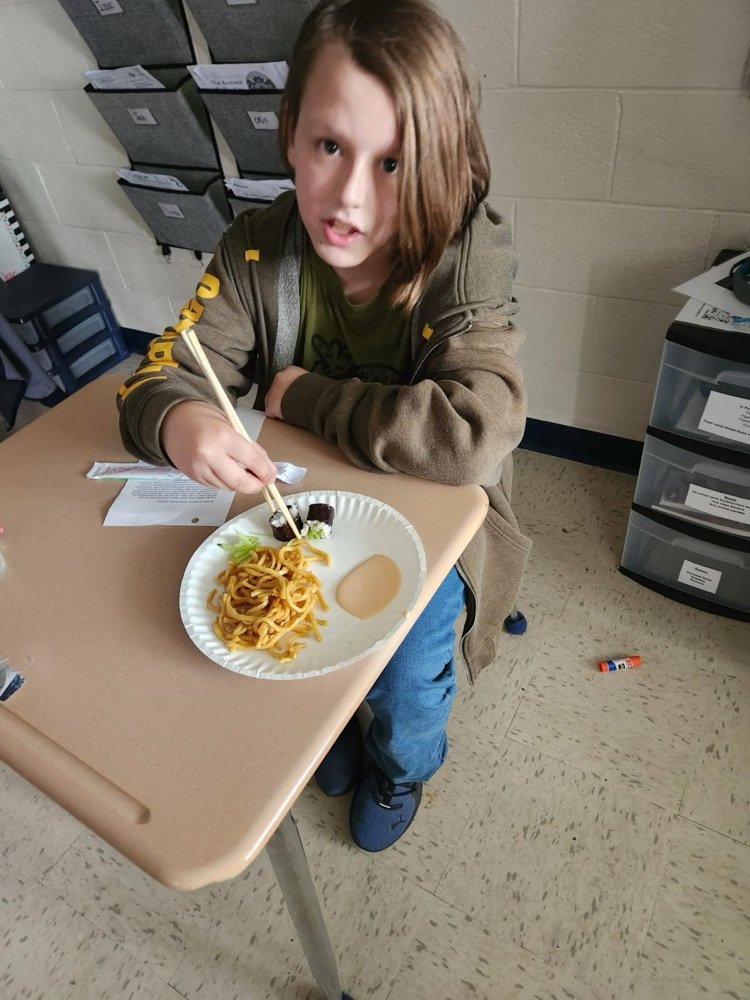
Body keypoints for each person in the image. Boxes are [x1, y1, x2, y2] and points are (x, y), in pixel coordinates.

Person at [117, 0, 531, 853]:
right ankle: (339, 728)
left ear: (442, 166)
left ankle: (402, 761)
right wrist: (181, 421)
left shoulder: (465, 257)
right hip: (303, 508)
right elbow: (162, 369)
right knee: (292, 634)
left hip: (428, 523)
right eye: (329, 147)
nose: (348, 197)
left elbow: (474, 435)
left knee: (414, 668)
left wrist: (299, 394)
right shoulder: (251, 249)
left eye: (393, 163)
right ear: (288, 131)